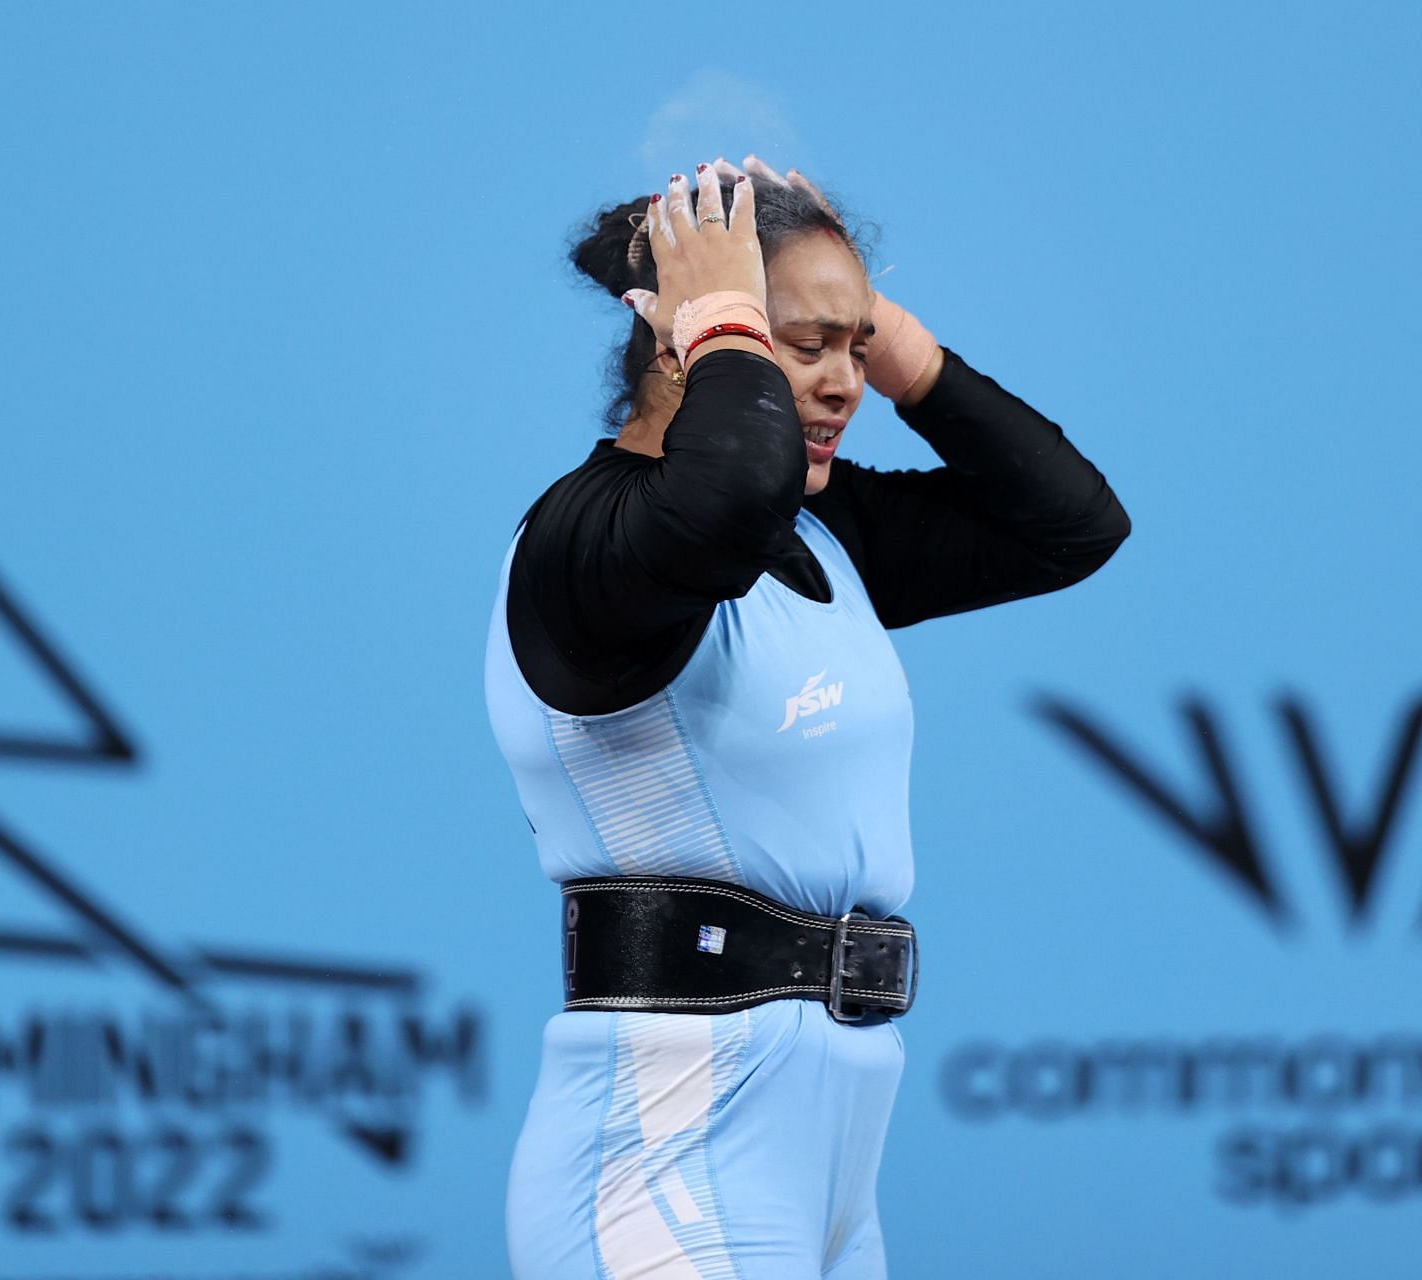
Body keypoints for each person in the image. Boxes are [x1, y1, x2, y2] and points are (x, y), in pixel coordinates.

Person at [483, 155, 1130, 1279]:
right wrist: (720, 317)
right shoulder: (589, 546)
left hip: (832, 1162)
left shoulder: (827, 536)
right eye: (802, 343)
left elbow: (1071, 525)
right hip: (663, 1154)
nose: (844, 383)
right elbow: (726, 495)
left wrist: (898, 345)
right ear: (686, 337)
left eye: (855, 343)